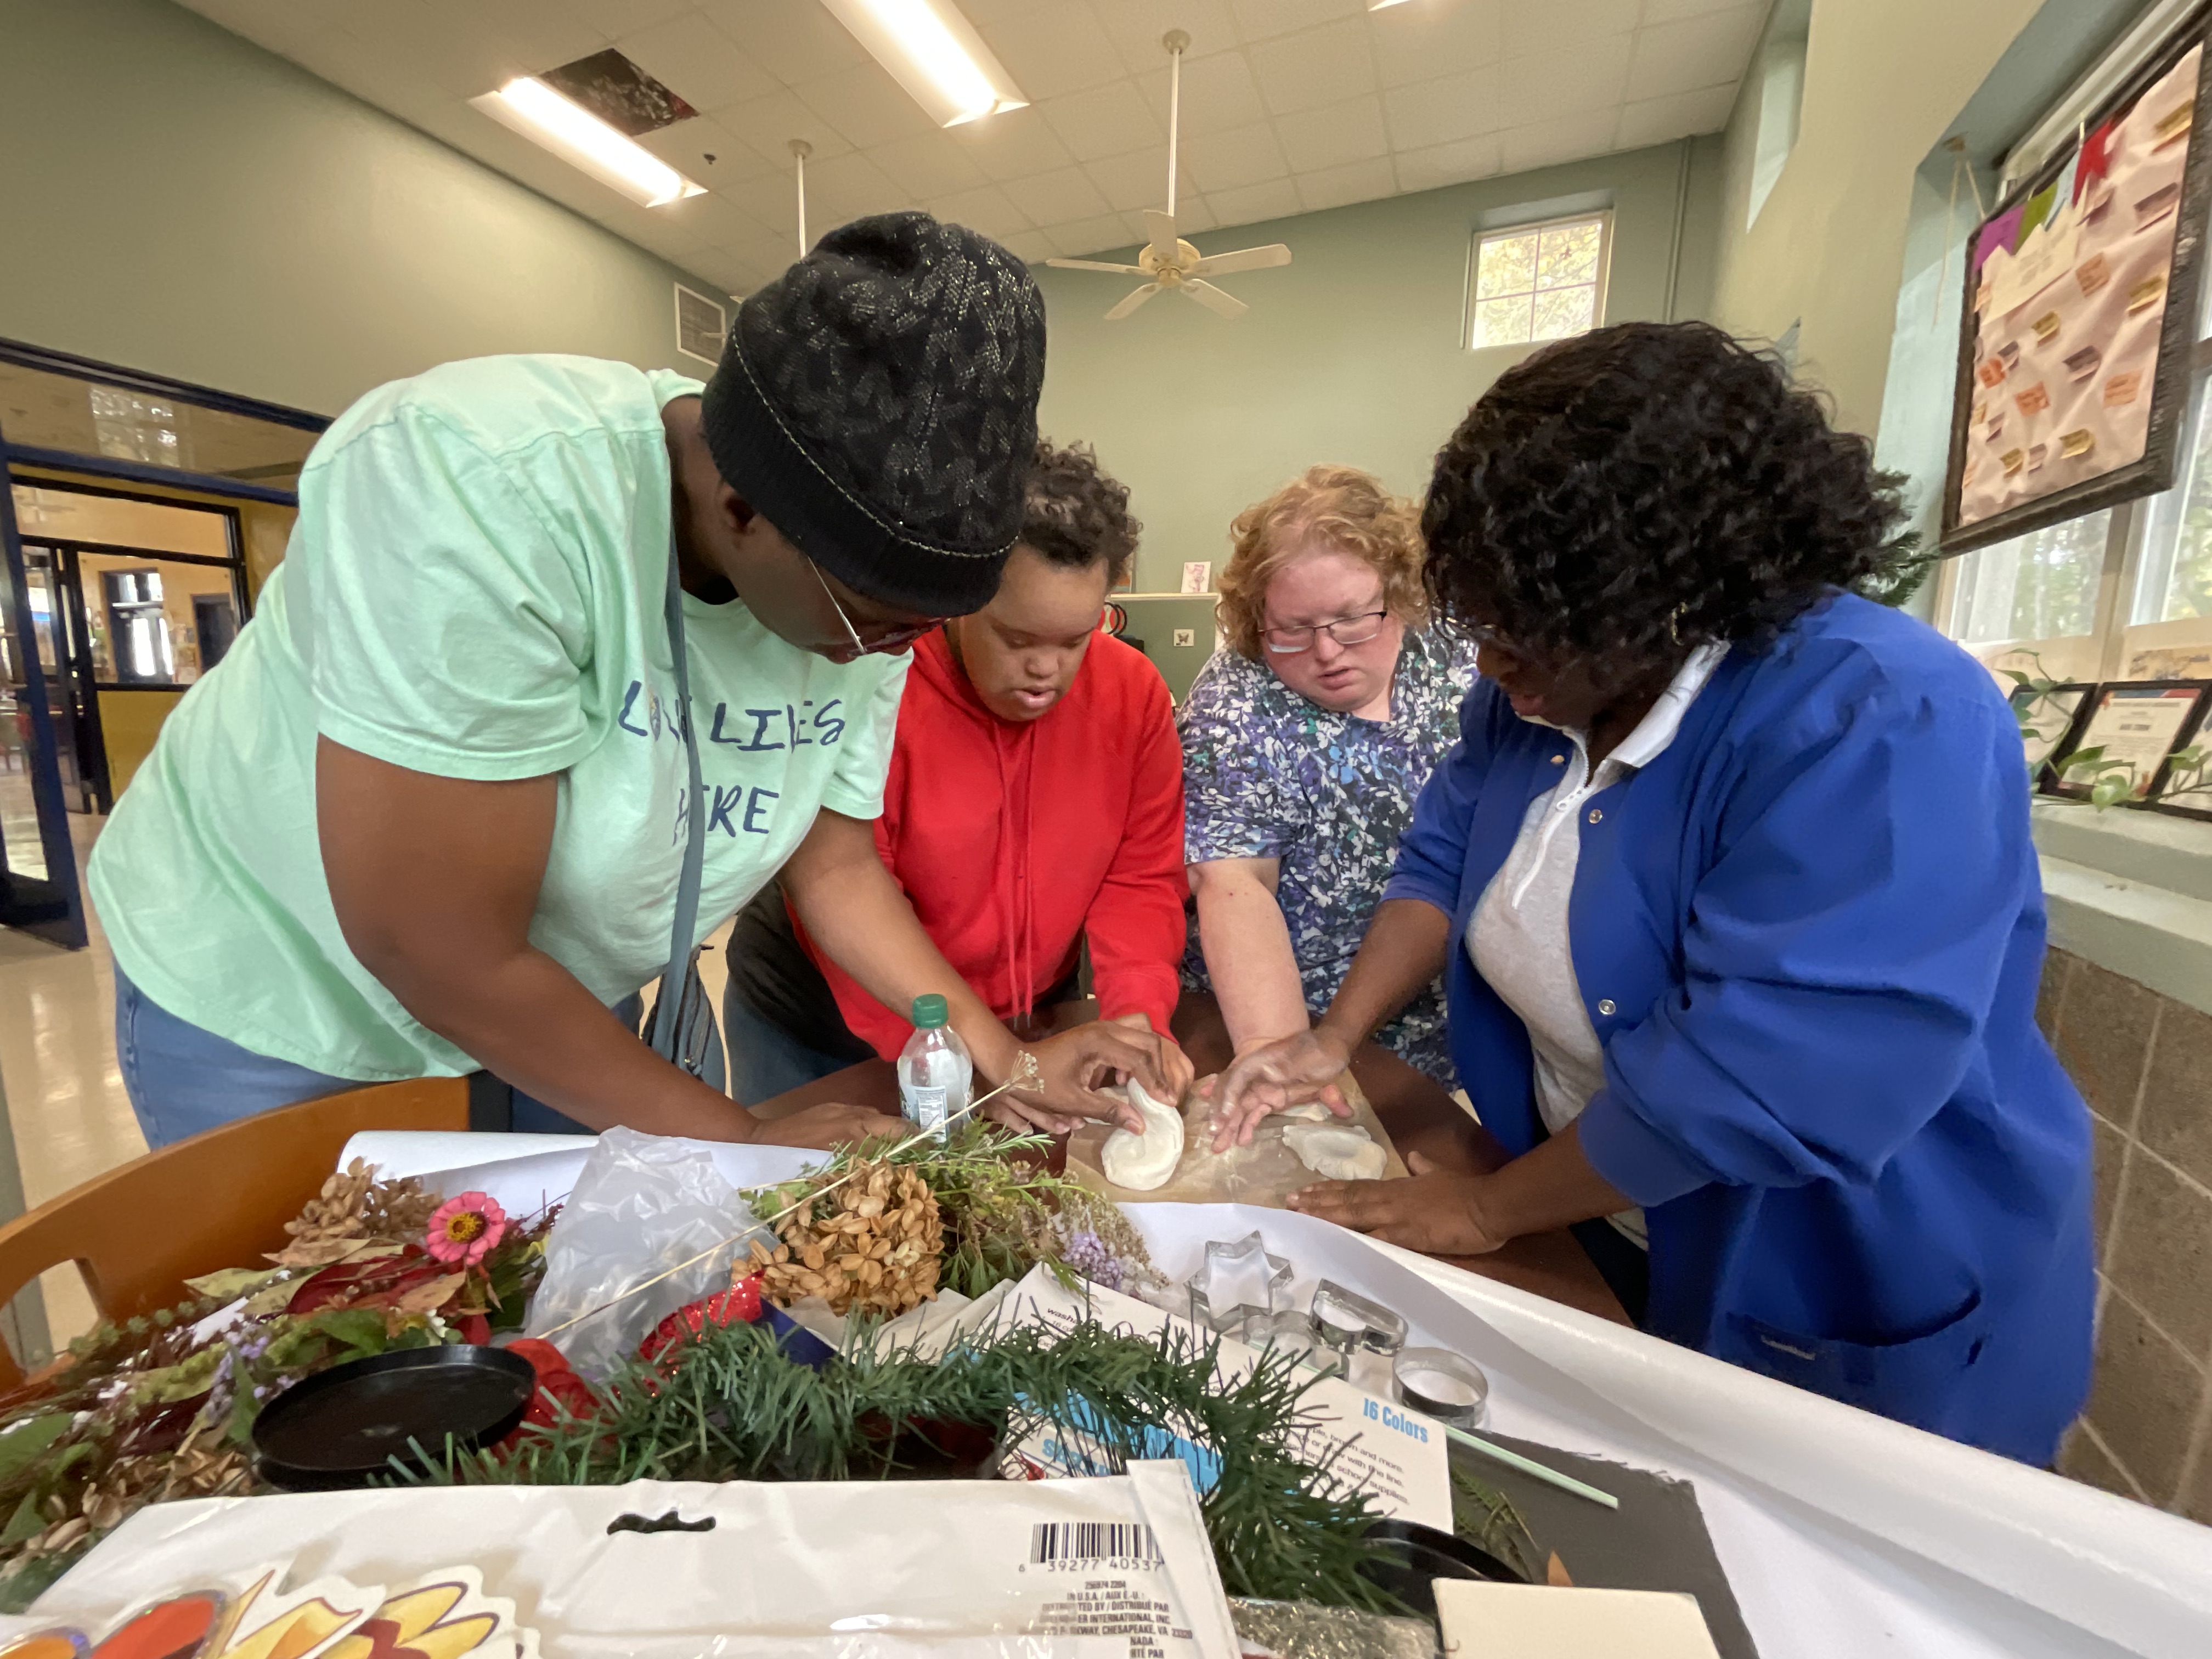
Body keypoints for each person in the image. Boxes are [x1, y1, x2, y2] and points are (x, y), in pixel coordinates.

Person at [91, 212, 1175, 1150]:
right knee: (345, 1352)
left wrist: (1006, 1061)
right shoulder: (476, 486)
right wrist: (742, 1135)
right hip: (286, 997)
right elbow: (440, 947)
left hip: (556, 1002)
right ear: (744, 512)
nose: (899, 660)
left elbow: (836, 870)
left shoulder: (859, 583)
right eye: (883, 629)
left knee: (571, 1335)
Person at [1212, 321, 2094, 1464]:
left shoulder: (1883, 716)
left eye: (1526, 629)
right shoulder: (1535, 702)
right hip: (1608, 1213)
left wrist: (1486, 1209)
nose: (1489, 664)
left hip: (1842, 1268)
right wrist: (1335, 1035)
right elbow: (1440, 862)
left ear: (1667, 600)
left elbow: (1756, 1082)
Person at [724, 439, 1193, 1133]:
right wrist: (962, 1057)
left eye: (1074, 641)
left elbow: (1141, 879)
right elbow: (846, 892)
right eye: (1016, 637)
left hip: (1021, 1024)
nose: (1046, 670)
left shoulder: (1134, 695)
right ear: (964, 597)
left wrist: (1136, 1024)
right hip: (826, 1022)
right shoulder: (877, 676)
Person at [1180, 466, 1477, 1085]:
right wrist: (1283, 1059)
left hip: (1447, 1021)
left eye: (1351, 619)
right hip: (1282, 1015)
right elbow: (1235, 884)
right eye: (1293, 629)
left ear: (1399, 593)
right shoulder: (1233, 703)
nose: (1327, 651)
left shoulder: (1461, 658)